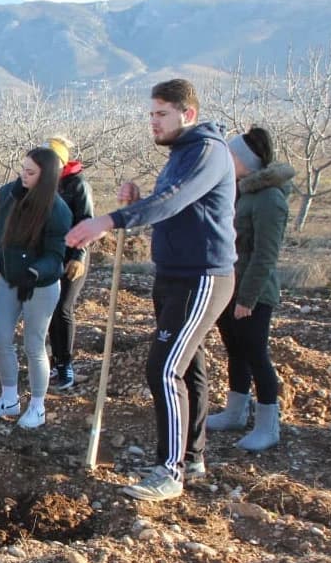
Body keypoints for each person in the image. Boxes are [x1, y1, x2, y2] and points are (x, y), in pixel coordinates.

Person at [66, 78, 236, 502]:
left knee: (164, 369)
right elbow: (175, 207)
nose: (153, 122)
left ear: (187, 114)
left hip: (202, 276)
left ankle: (169, 471)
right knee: (189, 366)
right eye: (151, 114)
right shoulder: (182, 153)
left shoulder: (207, 151)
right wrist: (138, 199)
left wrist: (109, 220)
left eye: (161, 114)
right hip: (174, 273)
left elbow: (174, 200)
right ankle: (191, 457)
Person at [0, 148, 71, 430]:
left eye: (31, 172)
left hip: (39, 285)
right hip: (9, 279)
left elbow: (56, 255)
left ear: (46, 177)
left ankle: (37, 406)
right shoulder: (8, 194)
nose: (23, 175)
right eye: (23, 169)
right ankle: (9, 398)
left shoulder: (57, 210)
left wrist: (35, 272)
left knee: (34, 344)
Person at [206, 126, 294, 452]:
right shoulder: (241, 191)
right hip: (231, 287)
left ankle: (268, 427)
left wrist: (247, 298)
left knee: (256, 354)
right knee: (236, 350)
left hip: (253, 293)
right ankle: (235, 412)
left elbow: (265, 255)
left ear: (246, 160)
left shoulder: (269, 199)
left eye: (231, 154)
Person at [42, 137, 94, 391]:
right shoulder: (44, 184)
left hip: (72, 256)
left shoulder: (78, 185)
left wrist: (79, 256)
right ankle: (54, 362)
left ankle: (66, 365)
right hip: (50, 255)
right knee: (49, 308)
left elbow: (86, 220)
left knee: (63, 308)